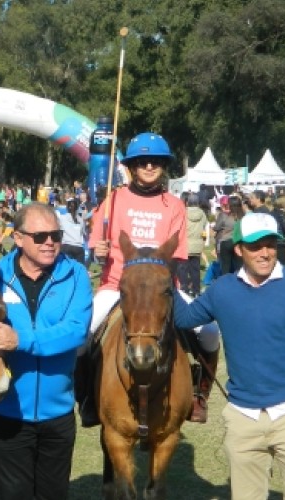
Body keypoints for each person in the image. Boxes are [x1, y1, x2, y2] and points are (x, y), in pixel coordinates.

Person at [173, 212, 285, 500]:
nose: (265, 253)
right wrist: (160, 274)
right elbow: (184, 318)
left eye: (271, 244)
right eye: (255, 246)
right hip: (242, 418)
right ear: (239, 249)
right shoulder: (221, 289)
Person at [83, 132, 220, 425]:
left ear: (163, 166)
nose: (149, 166)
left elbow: (178, 257)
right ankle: (87, 398)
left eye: (156, 161)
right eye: (142, 161)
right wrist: (99, 250)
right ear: (131, 166)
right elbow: (95, 248)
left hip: (163, 288)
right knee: (81, 336)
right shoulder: (112, 199)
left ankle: (199, 395)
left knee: (209, 332)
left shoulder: (175, 205)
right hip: (117, 286)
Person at [0, 202, 91, 499]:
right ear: (18, 237)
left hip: (59, 415)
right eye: (40, 236)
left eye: (56, 234)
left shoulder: (76, 274)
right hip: (7, 412)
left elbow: (77, 330)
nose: (50, 242)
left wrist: (22, 340)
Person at [181, 193, 207, 297]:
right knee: (195, 270)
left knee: (183, 269)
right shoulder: (202, 213)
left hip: (185, 244)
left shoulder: (183, 212)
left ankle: (185, 288)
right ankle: (196, 290)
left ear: (187, 202)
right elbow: (204, 225)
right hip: (197, 244)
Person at [213, 196, 244, 277]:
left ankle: (226, 283)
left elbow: (217, 227)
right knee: (239, 267)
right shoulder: (243, 216)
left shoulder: (224, 216)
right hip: (239, 242)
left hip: (226, 241)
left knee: (225, 267)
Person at [58, 198, 85, 263]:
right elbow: (82, 233)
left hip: (66, 246)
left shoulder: (62, 218)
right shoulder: (81, 220)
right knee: (79, 270)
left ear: (67, 208)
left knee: (66, 268)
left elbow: (60, 233)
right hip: (79, 247)